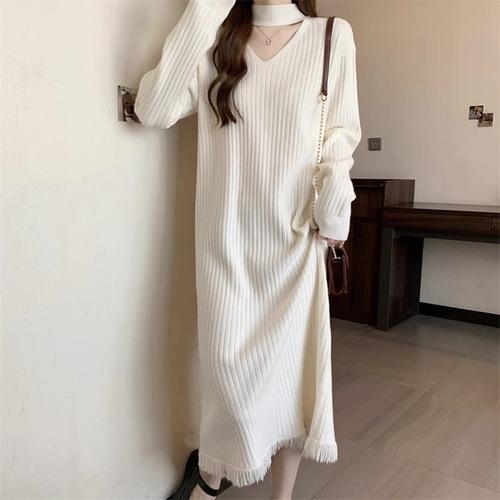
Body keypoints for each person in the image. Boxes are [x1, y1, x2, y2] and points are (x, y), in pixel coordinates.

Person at [134, 0, 361, 498]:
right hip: (225, 253)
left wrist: (334, 209)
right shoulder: (217, 41)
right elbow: (153, 109)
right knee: (230, 387)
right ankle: (212, 477)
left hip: (294, 249)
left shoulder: (331, 37)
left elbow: (338, 142)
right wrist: (205, 7)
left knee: (294, 385)